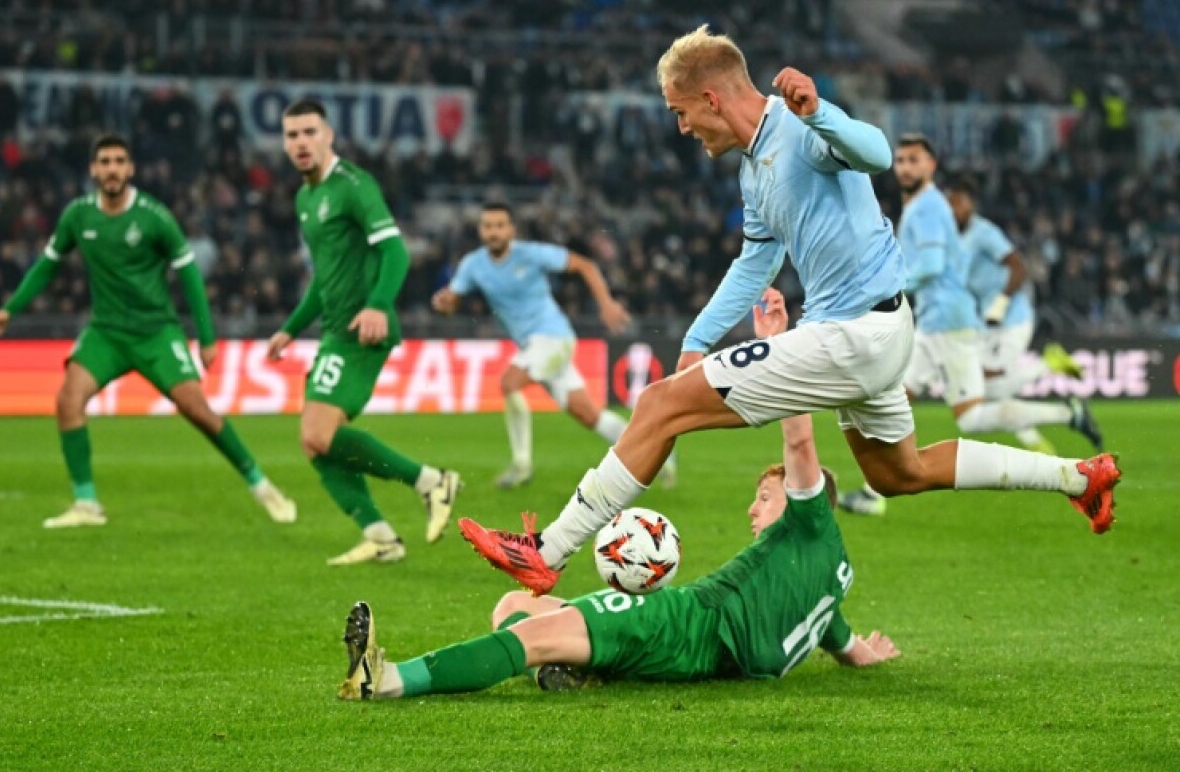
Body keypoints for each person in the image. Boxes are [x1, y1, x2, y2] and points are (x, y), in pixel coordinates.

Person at [458, 25, 1120, 597]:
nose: (681, 127)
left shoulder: (800, 130)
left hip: (855, 333)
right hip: (874, 329)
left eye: (680, 111)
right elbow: (755, 263)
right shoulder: (753, 170)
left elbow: (879, 154)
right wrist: (697, 341)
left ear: (711, 97)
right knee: (898, 473)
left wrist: (819, 108)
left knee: (661, 406)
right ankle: (1077, 477)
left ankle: (544, 554)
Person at [337, 291, 899, 701]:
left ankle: (387, 680)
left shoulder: (807, 524)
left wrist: (779, 344)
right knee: (513, 607)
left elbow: (799, 436)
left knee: (530, 634)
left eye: (767, 495)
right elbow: (845, 643)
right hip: (691, 649)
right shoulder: (830, 579)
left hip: (685, 623)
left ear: (805, 500)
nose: (754, 507)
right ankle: (568, 672)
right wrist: (871, 654)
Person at [0, 134, 295, 528]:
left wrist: (207, 336)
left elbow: (191, 273)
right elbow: (48, 265)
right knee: (67, 400)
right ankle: (86, 503)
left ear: (130, 169)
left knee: (198, 411)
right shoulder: (77, 215)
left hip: (156, 332)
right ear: (94, 169)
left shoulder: (154, 216)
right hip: (107, 332)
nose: (112, 169)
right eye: (105, 161)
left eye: (119, 161)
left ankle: (260, 483)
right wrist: (10, 309)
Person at [839, 139, 1103, 516]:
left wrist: (883, 288)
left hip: (956, 322)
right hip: (940, 319)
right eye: (900, 161)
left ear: (932, 165)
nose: (905, 167)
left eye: (914, 160)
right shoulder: (927, 209)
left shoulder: (934, 210)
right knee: (896, 395)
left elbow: (935, 266)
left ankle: (1066, 421)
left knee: (972, 413)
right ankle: (873, 492)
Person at [266, 100, 461, 566]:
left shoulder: (354, 186)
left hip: (363, 329)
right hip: (336, 329)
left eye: (309, 132)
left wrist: (377, 304)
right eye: (291, 135)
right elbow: (323, 278)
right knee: (315, 441)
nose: (300, 143)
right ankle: (380, 535)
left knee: (317, 432)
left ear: (328, 134)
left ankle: (430, 481)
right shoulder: (305, 198)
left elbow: (395, 251)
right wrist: (290, 329)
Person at [431, 203, 676, 488]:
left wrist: (606, 303)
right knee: (588, 415)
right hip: (533, 346)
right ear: (480, 230)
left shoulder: (531, 254)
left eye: (500, 225)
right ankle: (657, 451)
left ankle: (521, 465)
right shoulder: (473, 264)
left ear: (511, 230)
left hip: (554, 338)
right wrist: (443, 303)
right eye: (488, 226)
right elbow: (452, 300)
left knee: (510, 383)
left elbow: (585, 265)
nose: (494, 232)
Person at [949, 174, 1084, 451]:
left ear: (971, 204)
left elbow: (1018, 267)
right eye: (950, 202)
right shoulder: (952, 240)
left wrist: (1000, 302)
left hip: (1012, 318)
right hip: (986, 322)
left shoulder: (984, 233)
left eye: (960, 202)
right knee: (986, 387)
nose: (954, 208)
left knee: (994, 389)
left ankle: (1047, 373)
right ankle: (1035, 437)